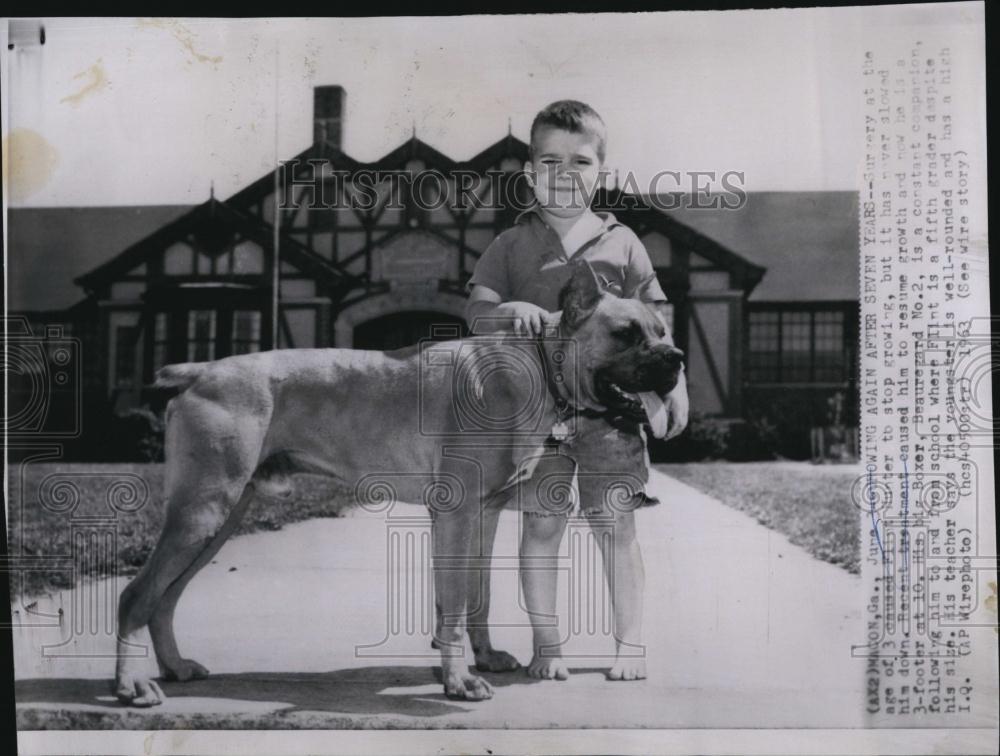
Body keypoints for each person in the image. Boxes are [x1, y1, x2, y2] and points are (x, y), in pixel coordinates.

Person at [464, 100, 683, 681]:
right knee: (541, 526)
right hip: (536, 415)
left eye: (580, 161)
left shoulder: (625, 242)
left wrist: (674, 387)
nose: (564, 174)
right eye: (548, 161)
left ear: (601, 171)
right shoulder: (510, 245)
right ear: (530, 172)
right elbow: (476, 312)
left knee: (617, 526)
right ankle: (549, 646)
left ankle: (629, 645)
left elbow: (658, 319)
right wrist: (507, 307)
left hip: (612, 416)